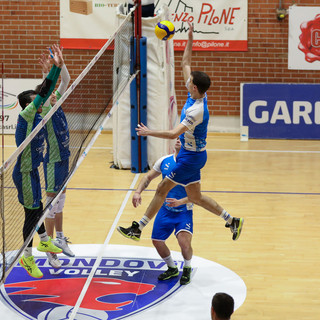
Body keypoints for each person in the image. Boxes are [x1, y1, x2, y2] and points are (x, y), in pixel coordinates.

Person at [117, 21, 244, 242]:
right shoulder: (194, 94)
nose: (187, 81)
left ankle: (138, 228)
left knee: (161, 189)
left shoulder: (196, 110)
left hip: (190, 158)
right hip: (193, 155)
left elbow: (173, 134)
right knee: (196, 197)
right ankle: (232, 220)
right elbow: (186, 61)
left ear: (194, 87)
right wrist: (190, 38)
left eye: (190, 81)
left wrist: (149, 132)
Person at [12, 44, 64, 279]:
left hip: (32, 171)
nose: (40, 103)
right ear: (27, 106)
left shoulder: (39, 114)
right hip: (23, 172)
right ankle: (27, 256)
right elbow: (43, 92)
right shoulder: (26, 116)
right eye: (35, 102)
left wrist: (56, 68)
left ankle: (43, 241)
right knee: (31, 214)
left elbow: (48, 90)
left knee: (38, 210)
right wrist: (54, 69)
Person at [119, 138, 193, 285]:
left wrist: (181, 201)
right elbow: (148, 177)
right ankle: (171, 267)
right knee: (157, 241)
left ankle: (187, 267)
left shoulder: (190, 166)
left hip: (184, 211)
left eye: (182, 139)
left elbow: (196, 196)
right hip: (165, 210)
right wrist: (138, 192)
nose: (179, 140)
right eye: (177, 138)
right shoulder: (164, 161)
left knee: (184, 243)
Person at [37, 52, 74, 269]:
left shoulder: (56, 101)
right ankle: (50, 250)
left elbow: (66, 80)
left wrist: (61, 64)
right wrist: (47, 73)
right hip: (52, 161)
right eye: (50, 92)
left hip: (65, 159)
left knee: (61, 202)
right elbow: (46, 89)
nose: (54, 94)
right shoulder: (45, 110)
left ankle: (60, 238)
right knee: (51, 206)